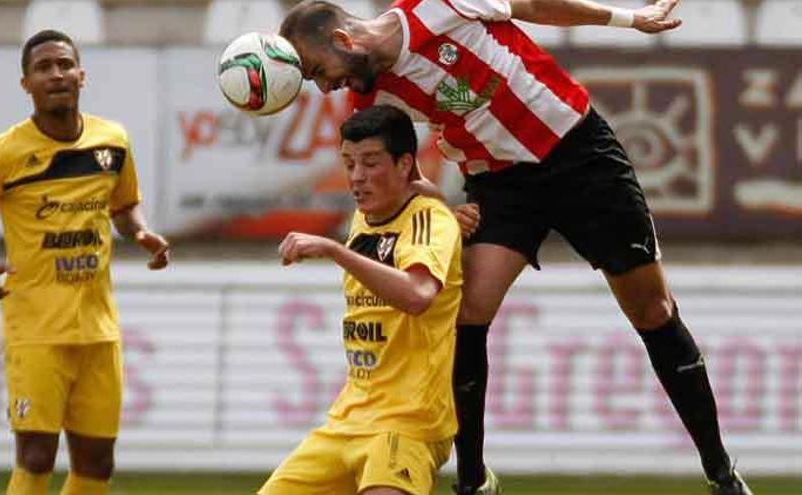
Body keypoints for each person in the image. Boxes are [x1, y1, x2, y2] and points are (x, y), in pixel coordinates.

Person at [278, 1, 753, 494]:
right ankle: (472, 481)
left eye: (318, 72)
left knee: (652, 310)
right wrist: (441, 205)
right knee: (466, 314)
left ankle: (720, 471)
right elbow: (401, 173)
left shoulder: (435, 7)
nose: (324, 86)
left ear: (343, 41)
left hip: (580, 157)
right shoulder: (369, 99)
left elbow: (533, 6)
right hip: (501, 187)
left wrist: (627, 18)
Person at [0, 30, 170, 495]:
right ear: (26, 84)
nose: (55, 74)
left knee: (97, 463)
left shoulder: (112, 141)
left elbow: (123, 205)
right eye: (43, 68)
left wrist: (140, 231)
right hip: (36, 329)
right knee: (36, 455)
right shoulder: (2, 151)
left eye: (64, 64)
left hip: (99, 329)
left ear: (81, 75)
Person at [263, 104, 463, 495]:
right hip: (346, 421)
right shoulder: (365, 217)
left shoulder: (428, 221)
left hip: (407, 424)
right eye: (348, 163)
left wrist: (335, 251)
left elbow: (419, 294)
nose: (356, 178)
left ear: (405, 164)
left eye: (370, 163)